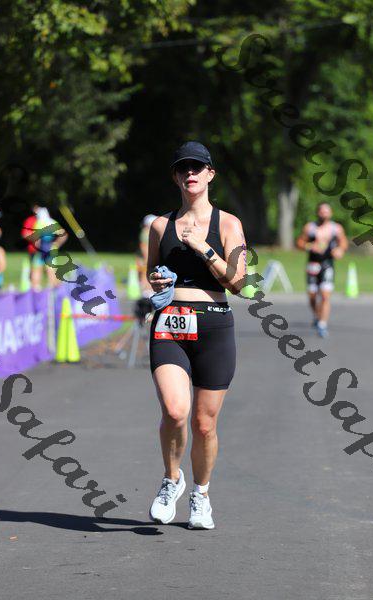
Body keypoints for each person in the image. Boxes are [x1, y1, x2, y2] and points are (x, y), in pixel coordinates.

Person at [146, 141, 247, 529]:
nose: (190, 173)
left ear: (210, 174)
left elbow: (240, 283)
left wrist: (204, 248)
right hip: (170, 324)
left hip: (214, 327)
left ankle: (201, 494)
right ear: (175, 177)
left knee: (204, 424)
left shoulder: (228, 224)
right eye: (183, 168)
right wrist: (157, 281)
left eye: (197, 167)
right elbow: (151, 274)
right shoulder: (160, 225)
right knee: (175, 411)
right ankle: (171, 480)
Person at [296, 202, 348, 337]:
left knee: (325, 296)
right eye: (322, 211)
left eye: (326, 211)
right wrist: (309, 246)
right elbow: (299, 243)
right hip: (312, 264)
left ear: (330, 213)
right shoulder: (310, 228)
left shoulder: (336, 228)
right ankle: (317, 315)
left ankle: (322, 324)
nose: (324, 214)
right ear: (317, 212)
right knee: (312, 296)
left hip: (327, 265)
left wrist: (340, 250)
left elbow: (343, 242)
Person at [21, 204, 68, 290]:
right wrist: (56, 244)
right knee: (51, 270)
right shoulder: (52, 222)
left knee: (37, 269)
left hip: (41, 250)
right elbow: (64, 235)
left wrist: (37, 245)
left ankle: (36, 288)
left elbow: (36, 238)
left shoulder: (38, 223)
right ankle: (53, 290)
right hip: (51, 249)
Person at [137, 214, 157, 297]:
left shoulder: (147, 232)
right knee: (145, 272)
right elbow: (144, 246)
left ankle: (147, 290)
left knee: (146, 272)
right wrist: (147, 258)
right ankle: (146, 290)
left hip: (146, 256)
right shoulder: (146, 232)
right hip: (145, 257)